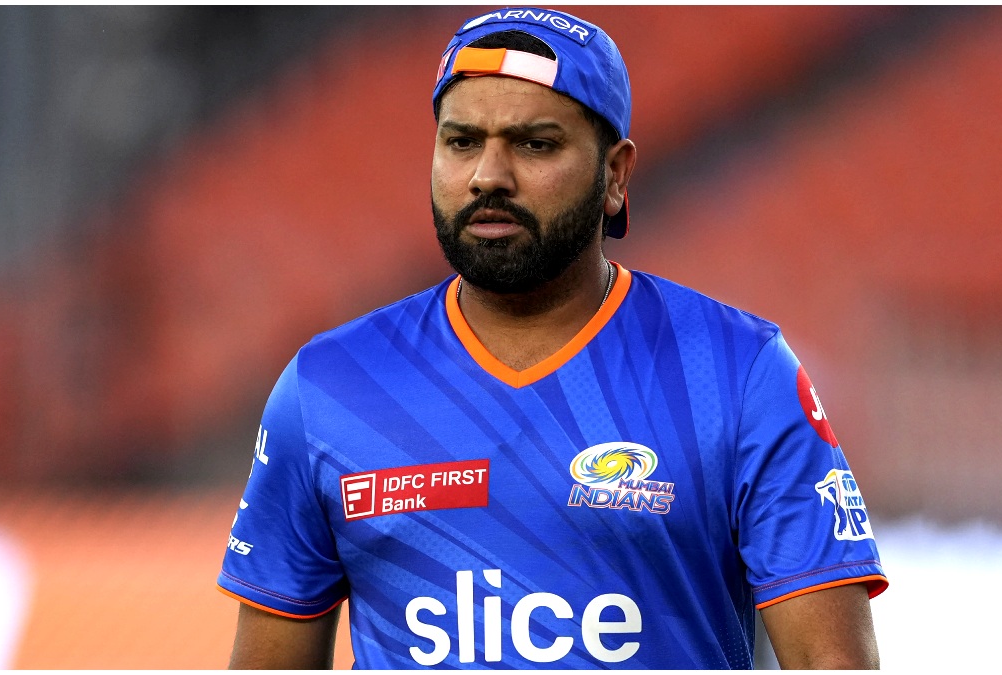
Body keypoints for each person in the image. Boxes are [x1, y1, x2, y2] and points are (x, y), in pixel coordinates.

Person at [218, 7, 887, 669]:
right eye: (462, 142)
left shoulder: (739, 375)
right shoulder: (328, 388)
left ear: (616, 175)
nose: (488, 175)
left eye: (535, 144)